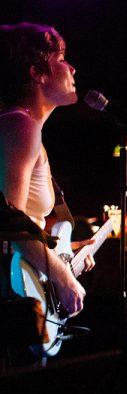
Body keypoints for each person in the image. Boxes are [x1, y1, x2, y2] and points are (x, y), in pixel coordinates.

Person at [0, 22, 90, 317]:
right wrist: (62, 277)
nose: (72, 69)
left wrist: (63, 253)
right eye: (62, 60)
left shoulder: (26, 129)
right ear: (36, 72)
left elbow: (28, 222)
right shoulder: (20, 124)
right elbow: (10, 219)